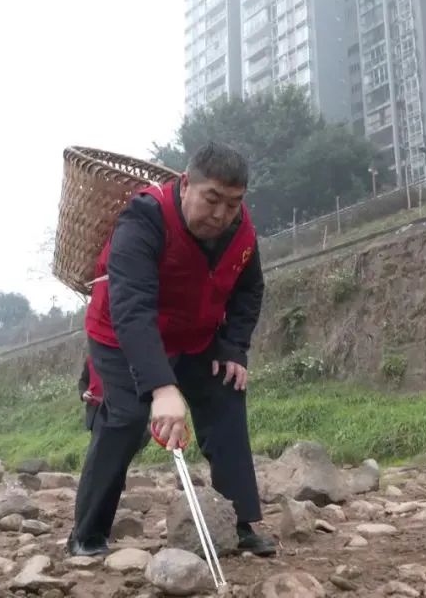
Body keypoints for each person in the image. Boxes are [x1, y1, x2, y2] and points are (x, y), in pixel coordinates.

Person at [68, 141, 275, 558]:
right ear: (185, 185)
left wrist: (234, 347)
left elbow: (249, 288)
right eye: (211, 199)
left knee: (226, 391)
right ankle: (87, 534)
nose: (221, 215)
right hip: (121, 333)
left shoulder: (241, 231)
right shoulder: (142, 220)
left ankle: (237, 522)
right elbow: (132, 309)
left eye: (233, 203)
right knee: (126, 417)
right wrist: (162, 388)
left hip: (193, 335)